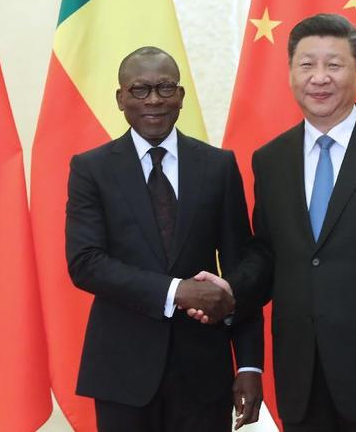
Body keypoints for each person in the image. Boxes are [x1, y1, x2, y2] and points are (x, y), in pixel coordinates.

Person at [192, 14, 356, 432]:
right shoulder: (271, 159)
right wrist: (233, 289)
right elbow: (268, 253)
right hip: (303, 374)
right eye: (307, 65)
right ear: (290, 73)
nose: (319, 78)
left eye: (334, 65)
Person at [65, 46, 263, 432]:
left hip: (205, 375)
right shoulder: (91, 169)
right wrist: (176, 291)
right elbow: (85, 262)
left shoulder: (218, 166)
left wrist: (250, 364)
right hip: (123, 374)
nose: (153, 100)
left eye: (165, 87)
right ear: (121, 99)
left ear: (181, 96)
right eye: (140, 90)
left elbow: (243, 269)